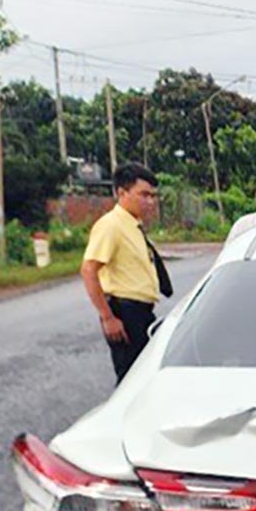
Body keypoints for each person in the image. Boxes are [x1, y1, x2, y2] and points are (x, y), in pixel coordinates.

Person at [80, 162, 171, 382]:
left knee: (143, 378)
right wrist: (108, 317)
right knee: (130, 381)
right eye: (144, 195)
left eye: (153, 196)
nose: (150, 202)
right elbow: (89, 270)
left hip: (141, 313)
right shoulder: (111, 225)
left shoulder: (132, 224)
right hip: (125, 311)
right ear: (122, 193)